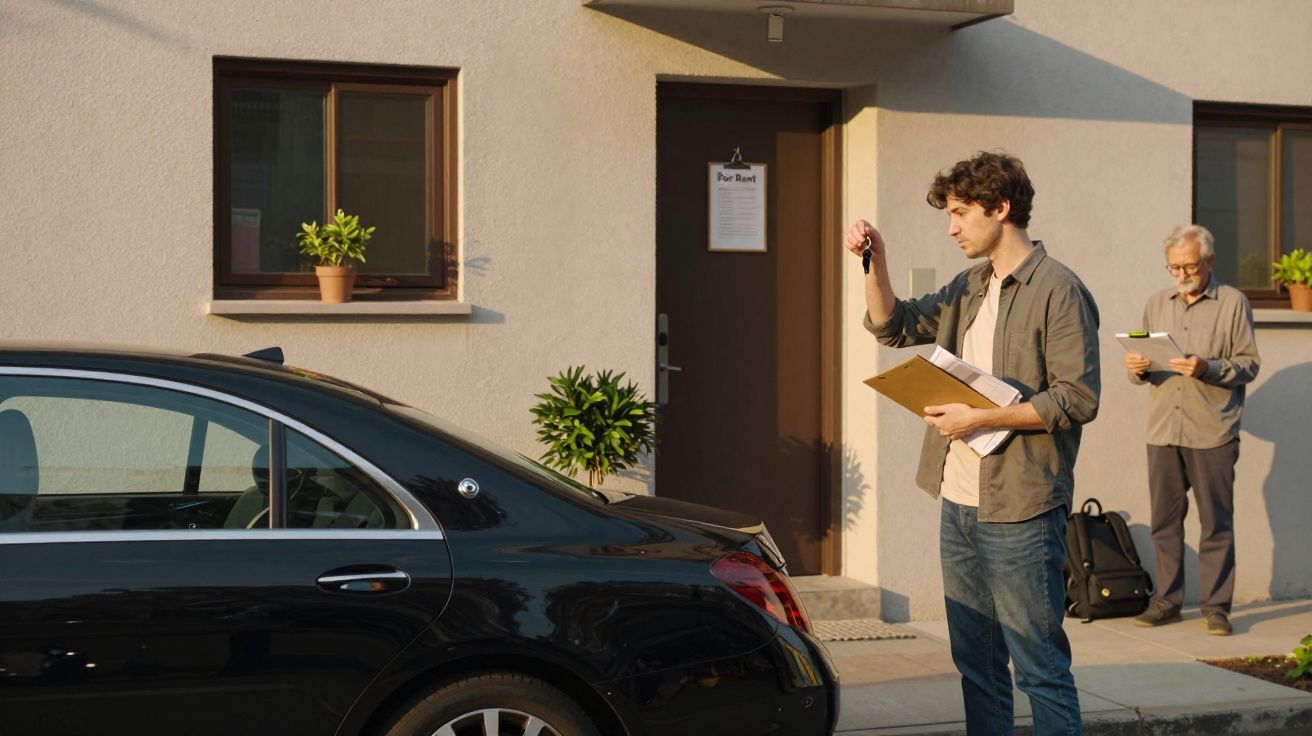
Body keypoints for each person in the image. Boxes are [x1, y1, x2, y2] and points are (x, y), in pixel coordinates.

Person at [847, 151, 1099, 736]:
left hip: (1022, 507)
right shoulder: (971, 285)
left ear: (1001, 208)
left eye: (960, 213)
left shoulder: (1059, 290)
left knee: (1039, 668)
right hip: (958, 503)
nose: (952, 227)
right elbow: (895, 326)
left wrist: (983, 417)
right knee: (978, 667)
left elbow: (1077, 399)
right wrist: (874, 262)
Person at [1125, 224, 1259, 636]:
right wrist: (1137, 369)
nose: (1181, 274)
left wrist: (1209, 368)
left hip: (1212, 431)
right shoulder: (1154, 303)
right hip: (1164, 428)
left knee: (1215, 523)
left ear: (1209, 262)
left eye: (1188, 266)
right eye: (1173, 267)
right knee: (1165, 521)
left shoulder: (1233, 302)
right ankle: (1167, 601)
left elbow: (1249, 364)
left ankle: (1216, 608)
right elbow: (1140, 354)